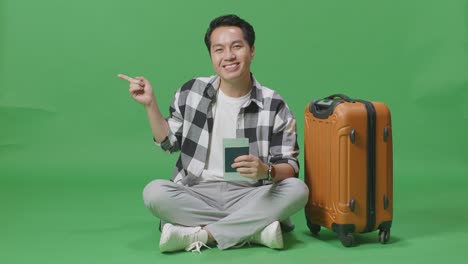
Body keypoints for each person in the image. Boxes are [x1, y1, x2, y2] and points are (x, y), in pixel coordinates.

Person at [118, 14, 309, 253]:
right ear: (211, 55)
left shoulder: (274, 104)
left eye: (237, 46)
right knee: (154, 192)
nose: (228, 56)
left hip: (250, 193)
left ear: (252, 51)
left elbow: (290, 166)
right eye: (219, 49)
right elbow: (168, 142)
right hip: (197, 192)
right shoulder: (192, 92)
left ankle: (202, 234)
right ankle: (256, 229)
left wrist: (266, 170)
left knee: (297, 190)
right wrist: (150, 104)